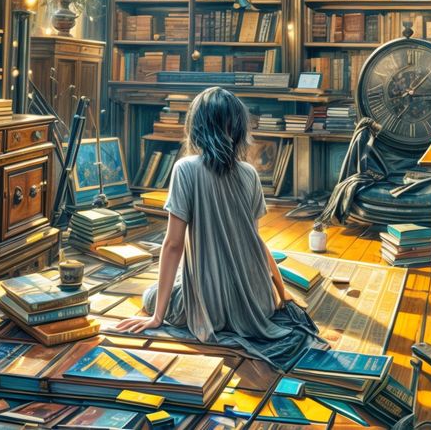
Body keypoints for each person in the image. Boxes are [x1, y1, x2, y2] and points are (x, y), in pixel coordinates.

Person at [116, 86, 326, 368]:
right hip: (257, 303)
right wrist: (280, 293)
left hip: (208, 309)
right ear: (237, 128)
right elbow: (256, 241)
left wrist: (157, 317)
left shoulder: (185, 169)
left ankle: (163, 304)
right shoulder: (250, 173)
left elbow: (173, 244)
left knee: (150, 295)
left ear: (197, 126)